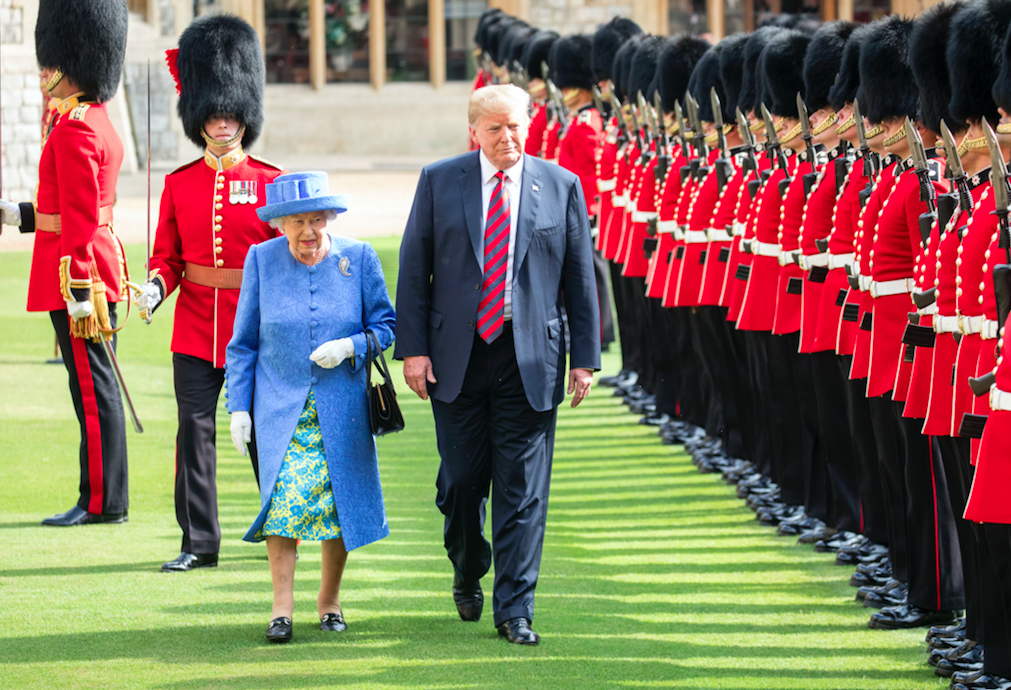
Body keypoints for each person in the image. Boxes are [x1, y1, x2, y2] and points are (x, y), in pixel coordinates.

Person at [395, 84, 601, 645]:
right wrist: (413, 350)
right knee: (462, 482)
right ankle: (467, 565)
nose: (507, 138)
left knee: (522, 488)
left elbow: (580, 279)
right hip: (455, 358)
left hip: (529, 356)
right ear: (474, 132)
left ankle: (515, 609)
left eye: (515, 126)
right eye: (495, 129)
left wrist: (584, 358)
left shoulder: (560, 185)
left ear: (528, 124)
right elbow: (415, 269)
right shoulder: (441, 180)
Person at [133, 14, 286, 573]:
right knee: (193, 436)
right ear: (198, 119)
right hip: (195, 326)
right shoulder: (178, 184)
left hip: (256, 330)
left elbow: (287, 260)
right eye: (213, 115)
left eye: (231, 114)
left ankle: (283, 531)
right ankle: (199, 541)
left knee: (263, 436)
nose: (222, 124)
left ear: (245, 116)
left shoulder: (272, 182)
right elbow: (167, 258)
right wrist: (154, 287)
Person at [225, 172, 395, 643]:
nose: (308, 232)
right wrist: (239, 407)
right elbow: (242, 346)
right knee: (282, 504)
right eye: (298, 221)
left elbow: (386, 326)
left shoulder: (358, 257)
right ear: (279, 224)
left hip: (342, 410)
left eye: (317, 220)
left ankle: (330, 601)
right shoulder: (261, 259)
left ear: (331, 218)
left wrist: (350, 347)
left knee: (337, 505)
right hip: (281, 410)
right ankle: (282, 609)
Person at [0, 0, 130, 526]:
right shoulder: (92, 119)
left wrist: (78, 290)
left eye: (50, 63)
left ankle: (101, 502)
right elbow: (69, 208)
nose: (44, 71)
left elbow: (77, 219)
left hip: (80, 276)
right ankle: (103, 496)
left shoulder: (74, 128)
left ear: (71, 63)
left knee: (93, 393)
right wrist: (18, 215)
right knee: (95, 389)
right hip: (97, 265)